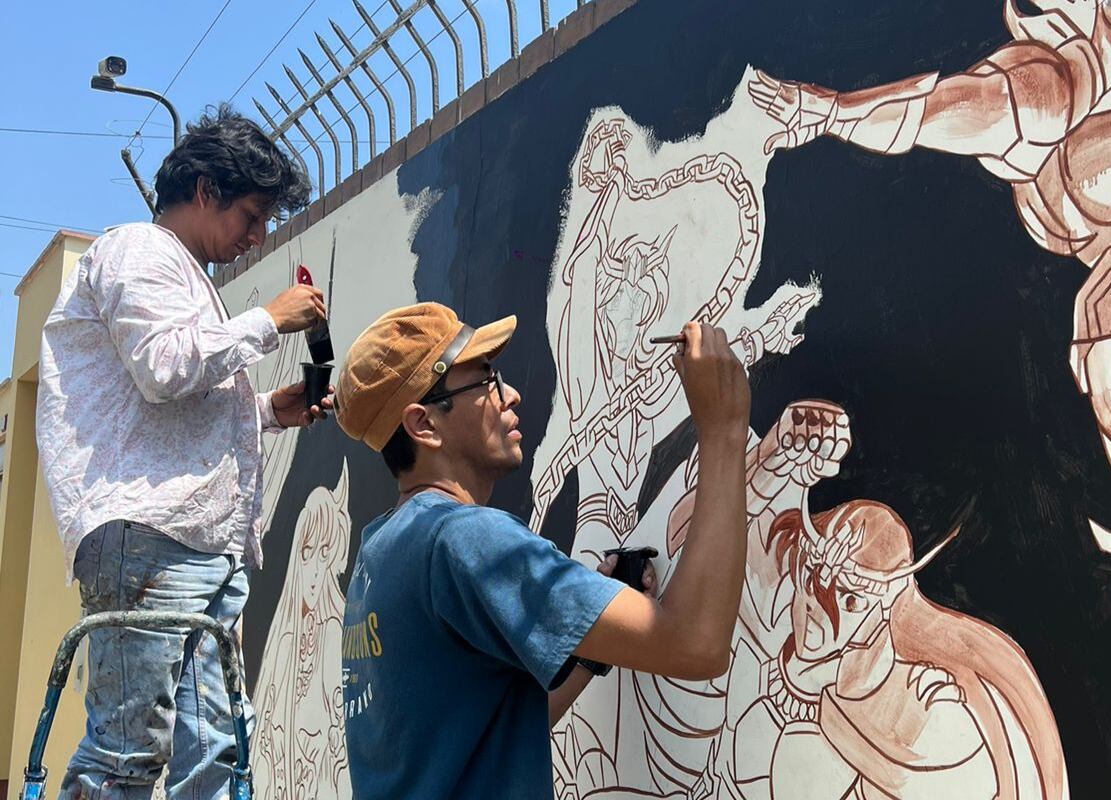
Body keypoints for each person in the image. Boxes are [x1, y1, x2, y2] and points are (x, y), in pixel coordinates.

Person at [334, 302, 751, 799]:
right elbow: (696, 644)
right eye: (485, 380)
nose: (510, 394)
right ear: (424, 425)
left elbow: (492, 723)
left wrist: (590, 646)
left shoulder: (381, 549)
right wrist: (723, 426)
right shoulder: (465, 538)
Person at [36, 104, 333, 799]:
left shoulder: (182, 273)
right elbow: (163, 368)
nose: (257, 237)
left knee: (216, 755)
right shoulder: (139, 250)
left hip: (192, 548)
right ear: (205, 192)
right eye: (251, 216)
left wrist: (265, 412)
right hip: (149, 537)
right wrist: (269, 320)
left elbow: (166, 408)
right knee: (128, 754)